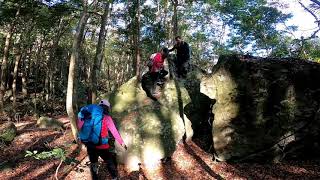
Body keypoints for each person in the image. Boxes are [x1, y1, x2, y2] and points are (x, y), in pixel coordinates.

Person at [77, 99, 127, 180]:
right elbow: (114, 131)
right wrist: (121, 142)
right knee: (109, 161)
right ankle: (114, 177)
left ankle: (95, 178)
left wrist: (80, 137)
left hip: (90, 144)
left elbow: (80, 127)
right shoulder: (107, 117)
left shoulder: (87, 115)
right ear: (107, 107)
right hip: (102, 145)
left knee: (93, 163)